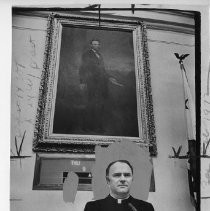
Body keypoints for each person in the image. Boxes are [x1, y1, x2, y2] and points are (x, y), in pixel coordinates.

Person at [84, 160, 155, 211]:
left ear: (132, 179)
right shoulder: (92, 207)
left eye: (127, 175)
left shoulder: (146, 208)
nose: (123, 179)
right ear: (108, 180)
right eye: (117, 175)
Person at [79, 39, 109, 133]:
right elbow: (82, 68)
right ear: (91, 45)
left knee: (100, 104)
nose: (96, 45)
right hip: (91, 83)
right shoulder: (86, 54)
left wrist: (109, 77)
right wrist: (82, 82)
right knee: (90, 105)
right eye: (94, 44)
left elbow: (103, 69)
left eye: (98, 44)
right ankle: (86, 127)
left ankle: (99, 127)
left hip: (101, 83)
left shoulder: (100, 55)